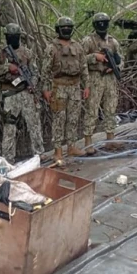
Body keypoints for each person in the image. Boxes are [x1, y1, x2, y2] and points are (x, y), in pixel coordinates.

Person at [0, 23, 45, 161]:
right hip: (9, 94)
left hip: (26, 93)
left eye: (15, 36)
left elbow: (35, 73)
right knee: (9, 126)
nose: (12, 38)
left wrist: (32, 84)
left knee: (34, 124)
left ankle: (39, 153)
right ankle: (8, 158)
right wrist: (7, 67)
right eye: (10, 36)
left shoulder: (27, 53)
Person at [42, 16, 90, 165]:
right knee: (59, 119)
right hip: (59, 86)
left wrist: (86, 86)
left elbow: (84, 67)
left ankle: (71, 146)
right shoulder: (52, 48)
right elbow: (45, 71)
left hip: (75, 86)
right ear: (58, 30)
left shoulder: (78, 46)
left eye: (69, 27)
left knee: (73, 118)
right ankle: (57, 151)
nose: (67, 30)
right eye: (64, 28)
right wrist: (46, 89)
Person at [81, 13, 122, 154]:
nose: (102, 25)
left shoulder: (113, 42)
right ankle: (88, 141)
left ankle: (110, 139)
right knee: (91, 110)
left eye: (104, 22)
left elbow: (120, 59)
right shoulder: (88, 41)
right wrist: (95, 57)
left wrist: (115, 67)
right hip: (94, 77)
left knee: (111, 108)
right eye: (99, 23)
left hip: (110, 78)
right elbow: (80, 59)